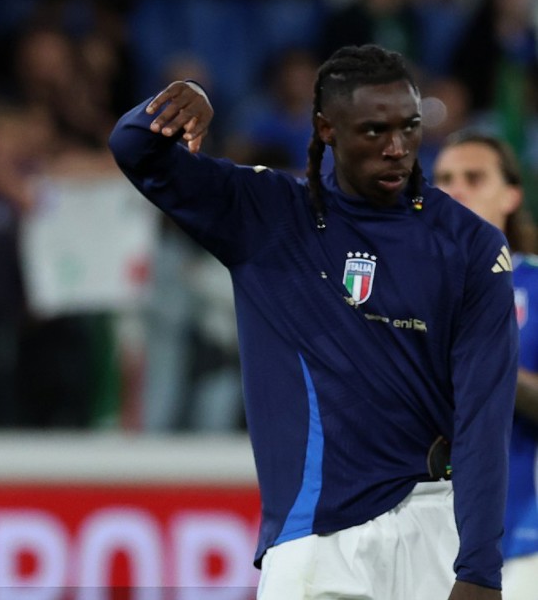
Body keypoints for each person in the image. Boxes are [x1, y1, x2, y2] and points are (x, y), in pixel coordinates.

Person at [109, 44, 514, 599]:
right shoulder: (268, 215)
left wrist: (480, 570)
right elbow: (134, 147)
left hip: (436, 531)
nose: (397, 148)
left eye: (410, 127)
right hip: (316, 547)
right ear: (327, 128)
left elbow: (484, 418)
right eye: (374, 131)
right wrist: (186, 100)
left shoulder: (472, 246)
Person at [434, 132, 538, 596]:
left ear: (511, 195)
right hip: (420, 534)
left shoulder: (534, 286)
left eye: (474, 178)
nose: (456, 189)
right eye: (444, 178)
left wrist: (484, 357)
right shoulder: (403, 288)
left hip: (522, 542)